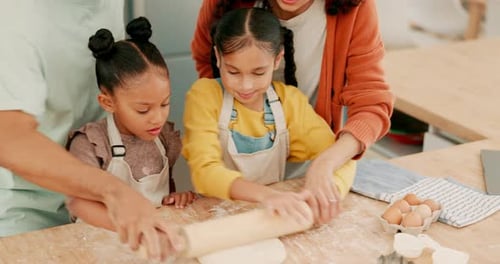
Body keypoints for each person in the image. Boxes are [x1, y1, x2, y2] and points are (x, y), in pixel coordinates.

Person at [191, 0, 394, 223]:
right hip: (226, 195)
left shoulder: (291, 104)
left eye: (258, 72)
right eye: (234, 71)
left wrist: (326, 170)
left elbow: (370, 102)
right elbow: (206, 170)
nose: (246, 85)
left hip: (302, 183)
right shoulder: (207, 95)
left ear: (279, 59)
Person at [0, 1, 175, 260]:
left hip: (99, 207)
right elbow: (9, 138)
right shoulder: (16, 20)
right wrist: (112, 191)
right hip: (27, 216)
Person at [66, 16, 197, 232]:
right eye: (143, 110)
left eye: (165, 103)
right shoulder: (91, 144)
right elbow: (77, 204)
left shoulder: (163, 138)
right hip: (101, 246)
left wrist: (175, 199)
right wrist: (134, 227)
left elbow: (162, 197)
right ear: (108, 102)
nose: (158, 118)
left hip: (152, 243)